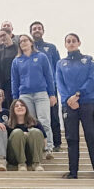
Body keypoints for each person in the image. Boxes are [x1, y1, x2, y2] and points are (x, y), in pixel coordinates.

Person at [11, 34, 56, 159]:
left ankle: (48, 148)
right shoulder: (16, 61)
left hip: (41, 93)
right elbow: (15, 81)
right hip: (25, 95)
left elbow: (49, 76)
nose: (23, 43)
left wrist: (52, 94)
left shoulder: (41, 56)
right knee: (30, 122)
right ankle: (35, 149)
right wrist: (16, 98)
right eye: (20, 42)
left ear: (31, 42)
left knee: (44, 120)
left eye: (25, 40)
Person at [56, 33, 94, 179]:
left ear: (79, 43)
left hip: (87, 102)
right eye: (68, 41)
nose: (71, 43)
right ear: (65, 44)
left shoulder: (89, 60)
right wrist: (68, 100)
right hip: (69, 105)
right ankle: (73, 172)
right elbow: (60, 84)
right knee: (71, 138)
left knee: (91, 136)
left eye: (73, 41)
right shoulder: (60, 63)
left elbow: (92, 79)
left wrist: (78, 95)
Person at [30, 21, 62, 152]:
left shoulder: (51, 47)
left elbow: (57, 66)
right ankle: (40, 142)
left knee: (53, 115)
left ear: (43, 31)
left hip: (50, 87)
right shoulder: (27, 49)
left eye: (39, 28)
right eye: (34, 29)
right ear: (31, 32)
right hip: (34, 89)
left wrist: (55, 86)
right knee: (36, 116)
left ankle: (57, 143)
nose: (37, 30)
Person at [6, 99, 46, 171]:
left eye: (22, 105)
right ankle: (21, 164)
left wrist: (29, 136)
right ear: (12, 110)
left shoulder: (35, 123)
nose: (19, 107)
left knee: (35, 131)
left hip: (32, 155)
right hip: (14, 156)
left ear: (26, 108)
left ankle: (36, 163)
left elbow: (44, 141)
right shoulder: (7, 125)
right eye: (16, 106)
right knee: (17, 132)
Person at [0, 29, 18, 109]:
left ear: (10, 34)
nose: (2, 38)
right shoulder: (0, 53)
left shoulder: (18, 48)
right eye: (0, 36)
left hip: (20, 81)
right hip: (7, 84)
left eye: (4, 35)